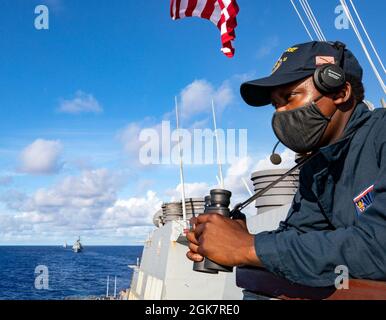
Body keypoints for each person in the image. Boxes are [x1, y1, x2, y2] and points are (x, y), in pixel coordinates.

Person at [186, 41, 386, 291]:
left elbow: (379, 246)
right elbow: (300, 237)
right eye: (275, 104)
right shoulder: (316, 169)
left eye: (289, 97)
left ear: (339, 93)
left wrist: (246, 247)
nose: (280, 113)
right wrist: (236, 237)